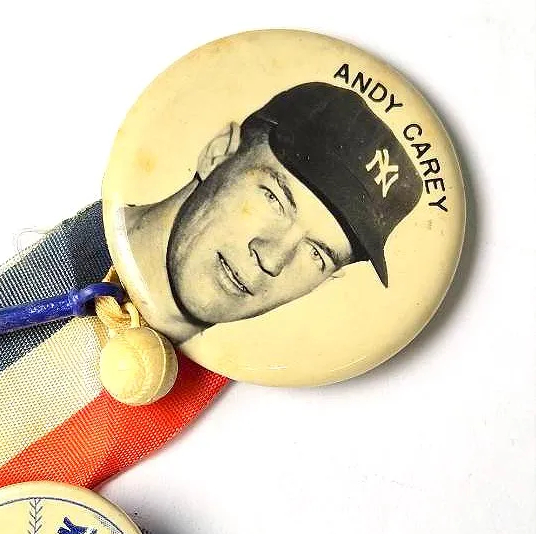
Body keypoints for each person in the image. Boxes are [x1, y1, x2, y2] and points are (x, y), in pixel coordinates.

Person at [121, 82, 423, 344]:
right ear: (218, 153)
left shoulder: (231, 382)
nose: (271, 260)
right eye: (274, 199)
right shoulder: (86, 246)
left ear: (328, 280)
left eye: (317, 253)